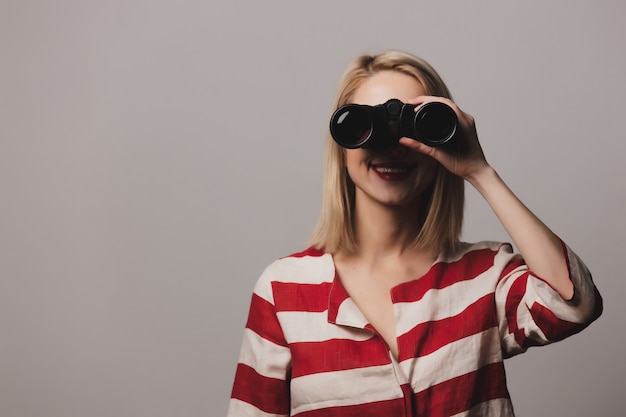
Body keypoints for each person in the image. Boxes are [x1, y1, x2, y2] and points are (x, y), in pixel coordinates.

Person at [226, 50, 602, 417]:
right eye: (365, 126)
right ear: (342, 145)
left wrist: (478, 170)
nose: (392, 147)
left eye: (412, 127)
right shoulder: (283, 289)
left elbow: (573, 304)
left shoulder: (483, 277)